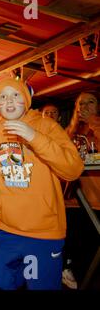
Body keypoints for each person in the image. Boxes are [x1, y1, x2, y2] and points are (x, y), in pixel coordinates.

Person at [0, 77, 84, 290]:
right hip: (7, 231)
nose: (9, 101)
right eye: (3, 96)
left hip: (43, 233)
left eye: (15, 95)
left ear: (26, 98)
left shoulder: (46, 125)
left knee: (40, 286)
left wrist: (34, 137)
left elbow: (73, 169)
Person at [64, 91, 100, 289]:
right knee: (73, 251)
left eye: (90, 102)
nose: (84, 107)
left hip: (96, 202)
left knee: (90, 254)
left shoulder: (97, 128)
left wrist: (94, 122)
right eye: (80, 103)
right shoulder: (68, 134)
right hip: (72, 201)